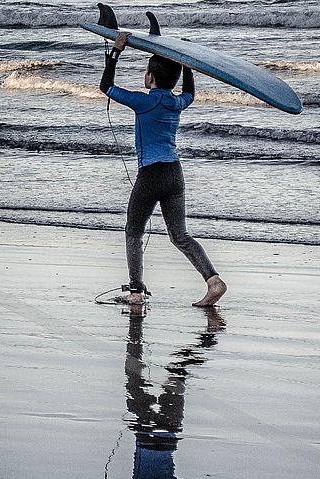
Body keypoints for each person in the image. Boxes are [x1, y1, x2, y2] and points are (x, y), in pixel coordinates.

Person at [99, 31, 227, 306]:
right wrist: (188, 65)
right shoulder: (176, 102)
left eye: (147, 73)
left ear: (150, 79)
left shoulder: (143, 101)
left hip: (151, 174)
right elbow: (190, 93)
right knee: (180, 235)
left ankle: (136, 291)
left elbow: (106, 87)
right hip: (175, 174)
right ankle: (213, 281)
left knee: (134, 231)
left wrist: (115, 52)